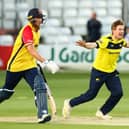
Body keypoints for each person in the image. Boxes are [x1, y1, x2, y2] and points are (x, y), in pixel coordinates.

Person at [0, 8, 58, 123]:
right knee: (7, 92)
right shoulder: (27, 30)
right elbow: (30, 49)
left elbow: (31, 52)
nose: (42, 19)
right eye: (41, 17)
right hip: (16, 66)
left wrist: (35, 61)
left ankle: (42, 114)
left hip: (29, 66)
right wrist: (45, 62)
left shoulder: (37, 30)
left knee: (40, 86)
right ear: (35, 19)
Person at [62, 20, 129, 120]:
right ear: (113, 30)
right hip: (99, 71)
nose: (121, 32)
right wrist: (85, 45)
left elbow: (126, 44)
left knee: (118, 93)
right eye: (119, 29)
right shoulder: (106, 40)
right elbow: (94, 45)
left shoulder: (121, 41)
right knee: (91, 95)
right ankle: (70, 103)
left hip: (111, 72)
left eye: (123, 30)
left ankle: (102, 112)